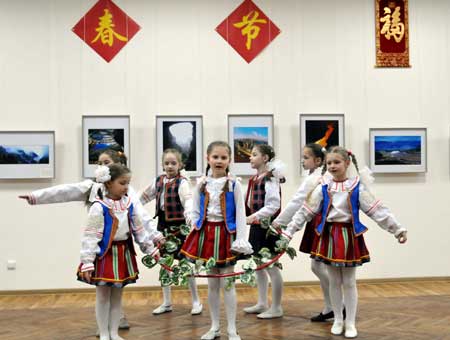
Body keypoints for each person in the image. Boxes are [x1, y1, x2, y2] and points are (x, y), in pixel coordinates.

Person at [18, 149, 163, 331]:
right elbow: (64, 191)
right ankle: (104, 328)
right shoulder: (92, 188)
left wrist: (155, 237)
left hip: (121, 246)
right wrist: (36, 197)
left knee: (117, 291)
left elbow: (139, 217)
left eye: (106, 162)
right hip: (100, 246)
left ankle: (115, 324)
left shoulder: (127, 192)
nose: (102, 167)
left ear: (117, 164)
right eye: (100, 163)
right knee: (103, 292)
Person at [282, 146, 407, 338]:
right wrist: (288, 232)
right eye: (329, 163)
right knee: (334, 280)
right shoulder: (323, 188)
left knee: (349, 281)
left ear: (347, 163)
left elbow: (377, 210)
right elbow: (305, 212)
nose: (332, 166)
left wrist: (397, 229)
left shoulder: (357, 187)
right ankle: (338, 319)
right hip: (329, 236)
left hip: (349, 236)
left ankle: (350, 322)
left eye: (337, 162)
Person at [77, 163, 160, 340]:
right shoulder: (99, 207)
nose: (126, 187)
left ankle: (114, 332)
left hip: (122, 253)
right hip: (104, 255)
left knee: (117, 297)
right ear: (108, 184)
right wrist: (87, 261)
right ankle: (104, 333)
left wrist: (150, 249)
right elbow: (91, 236)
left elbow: (138, 230)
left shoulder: (128, 204)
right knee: (102, 297)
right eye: (122, 183)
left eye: (128, 183)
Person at [180, 141, 253, 340]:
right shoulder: (202, 183)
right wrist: (195, 225)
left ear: (229, 160)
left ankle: (231, 328)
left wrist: (240, 239)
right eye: (215, 157)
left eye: (223, 157)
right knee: (212, 283)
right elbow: (195, 208)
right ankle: (214, 327)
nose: (219, 161)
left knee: (228, 282)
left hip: (226, 234)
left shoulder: (234, 184)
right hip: (206, 235)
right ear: (208, 158)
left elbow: (240, 212)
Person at [273, 143, 335, 322]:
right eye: (303, 157)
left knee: (320, 266)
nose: (303, 161)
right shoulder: (316, 176)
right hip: (317, 222)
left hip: (322, 224)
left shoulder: (315, 178)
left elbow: (296, 202)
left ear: (318, 160)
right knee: (320, 267)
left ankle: (337, 304)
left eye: (306, 158)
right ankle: (332, 305)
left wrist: (279, 222)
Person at [139, 148, 202, 315]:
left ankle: (196, 301)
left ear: (180, 165)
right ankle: (167, 302)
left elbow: (187, 201)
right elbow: (143, 197)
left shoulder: (182, 183)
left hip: (179, 228)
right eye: (166, 163)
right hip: (162, 227)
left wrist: (190, 218)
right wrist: (131, 208)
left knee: (187, 265)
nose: (169, 166)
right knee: (164, 264)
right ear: (162, 165)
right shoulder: (158, 181)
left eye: (173, 163)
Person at [243, 144, 284, 319]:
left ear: (265, 158)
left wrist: (253, 217)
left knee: (271, 267)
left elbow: (274, 205)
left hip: (267, 228)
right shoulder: (255, 179)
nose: (250, 158)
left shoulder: (270, 178)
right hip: (256, 227)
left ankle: (276, 307)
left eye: (254, 155)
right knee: (259, 265)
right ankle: (262, 303)